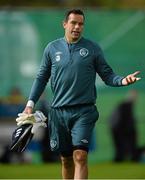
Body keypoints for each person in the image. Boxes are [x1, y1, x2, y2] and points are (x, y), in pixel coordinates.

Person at [23, 9, 141, 179]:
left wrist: (123, 80)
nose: (77, 27)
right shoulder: (52, 48)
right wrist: (30, 105)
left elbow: (107, 75)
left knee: (80, 155)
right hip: (58, 112)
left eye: (81, 24)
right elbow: (41, 78)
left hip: (84, 111)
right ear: (65, 24)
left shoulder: (92, 49)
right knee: (66, 159)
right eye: (73, 23)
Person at [109, 90, 144, 162]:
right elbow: (127, 120)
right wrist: (132, 131)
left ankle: (120, 159)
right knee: (123, 146)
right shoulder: (127, 105)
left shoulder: (123, 105)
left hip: (116, 128)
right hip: (119, 129)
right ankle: (131, 158)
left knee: (120, 146)